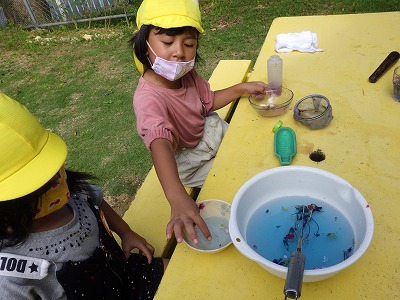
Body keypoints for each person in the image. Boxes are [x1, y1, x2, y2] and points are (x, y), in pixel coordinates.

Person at [0, 93, 168, 300]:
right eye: (40, 181)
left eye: (53, 165)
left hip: (126, 275)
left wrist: (126, 232)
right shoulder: (11, 276)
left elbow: (96, 200)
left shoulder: (72, 193)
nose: (57, 179)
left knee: (183, 270)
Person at [129, 0, 269, 246]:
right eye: (167, 42)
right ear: (144, 43)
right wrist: (176, 196)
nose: (179, 52)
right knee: (236, 182)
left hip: (209, 132)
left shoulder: (186, 74)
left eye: (189, 43)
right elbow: (159, 142)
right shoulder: (148, 99)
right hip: (190, 160)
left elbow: (207, 103)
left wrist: (239, 88)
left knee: (254, 151)